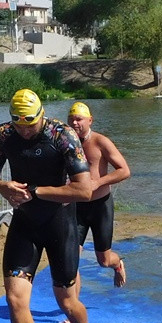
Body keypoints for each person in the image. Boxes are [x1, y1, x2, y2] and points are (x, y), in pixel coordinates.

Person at [0, 89, 95, 323]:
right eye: (18, 124)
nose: (24, 131)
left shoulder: (63, 136)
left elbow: (84, 191)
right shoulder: (4, 135)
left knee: (67, 303)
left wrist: (35, 190)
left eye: (29, 125)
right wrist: (3, 186)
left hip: (60, 225)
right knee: (15, 299)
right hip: (25, 224)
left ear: (41, 116)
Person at [67, 102, 130, 287]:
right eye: (71, 119)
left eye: (79, 119)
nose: (74, 123)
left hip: (100, 206)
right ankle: (73, 311)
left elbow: (124, 170)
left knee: (104, 259)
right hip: (77, 207)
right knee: (71, 260)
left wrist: (97, 182)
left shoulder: (100, 142)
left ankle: (117, 264)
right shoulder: (66, 143)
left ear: (90, 120)